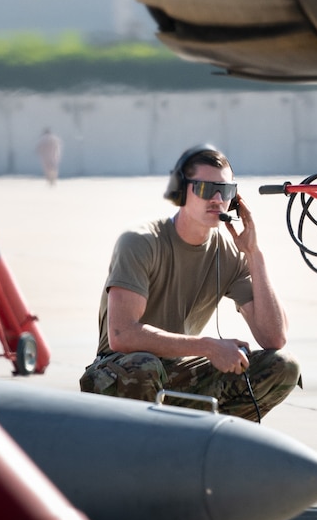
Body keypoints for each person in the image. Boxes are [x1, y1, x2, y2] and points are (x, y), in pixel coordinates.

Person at [78, 145, 299, 421]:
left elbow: (273, 337)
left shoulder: (230, 254)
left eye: (226, 191)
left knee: (282, 366)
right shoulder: (141, 242)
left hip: (180, 373)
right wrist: (208, 346)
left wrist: (255, 255)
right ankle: (143, 450)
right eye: (206, 189)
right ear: (181, 191)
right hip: (119, 373)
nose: (218, 199)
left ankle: (209, 442)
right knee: (144, 366)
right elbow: (122, 335)